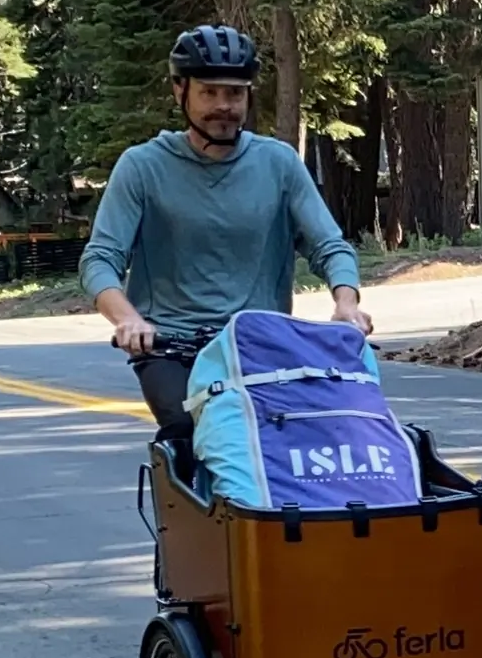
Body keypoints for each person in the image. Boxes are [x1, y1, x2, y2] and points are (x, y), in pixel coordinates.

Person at [82, 26, 370, 460]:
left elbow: (329, 244)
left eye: (234, 94)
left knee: (306, 438)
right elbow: (100, 260)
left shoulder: (278, 163)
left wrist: (346, 302)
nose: (223, 106)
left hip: (260, 342)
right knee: (190, 432)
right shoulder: (142, 167)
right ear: (181, 90)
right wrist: (128, 320)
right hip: (172, 346)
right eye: (209, 92)